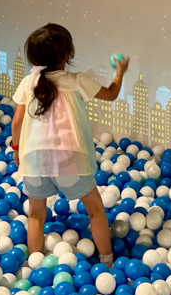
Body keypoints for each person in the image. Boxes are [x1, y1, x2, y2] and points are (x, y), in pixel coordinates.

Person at [10, 23, 128, 266]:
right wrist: (120, 72)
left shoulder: (28, 83)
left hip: (35, 159)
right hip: (70, 159)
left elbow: (17, 123)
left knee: (35, 215)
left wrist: (17, 149)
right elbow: (112, 93)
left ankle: (35, 263)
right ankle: (106, 261)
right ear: (67, 55)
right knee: (95, 210)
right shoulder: (76, 81)